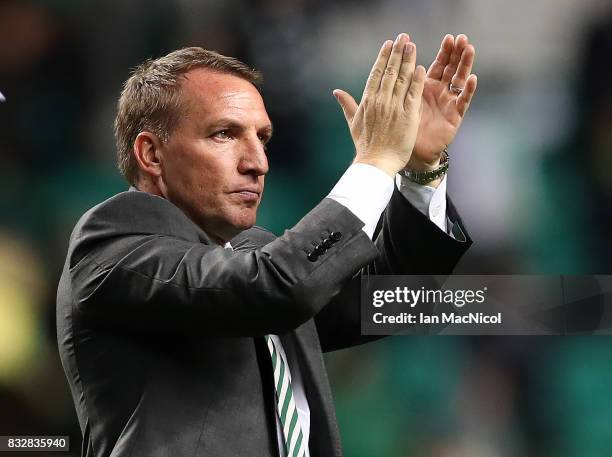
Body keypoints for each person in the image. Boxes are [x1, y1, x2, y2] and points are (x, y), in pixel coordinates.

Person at [57, 32, 477, 457]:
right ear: (151, 155)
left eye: (263, 138)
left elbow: (399, 300)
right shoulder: (112, 243)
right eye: (224, 134)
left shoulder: (250, 260)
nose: (257, 162)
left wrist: (419, 169)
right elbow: (274, 288)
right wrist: (374, 163)